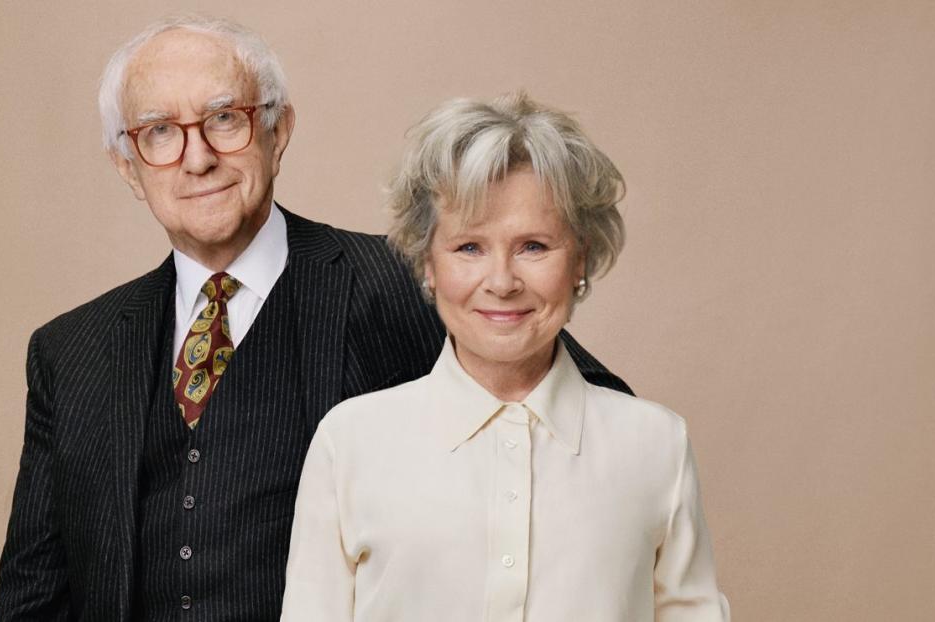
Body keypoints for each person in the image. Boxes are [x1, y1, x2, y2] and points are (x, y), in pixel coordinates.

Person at [0, 16, 630, 621]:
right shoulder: (71, 352)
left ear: (279, 130)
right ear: (128, 166)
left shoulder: (400, 282)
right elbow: (32, 599)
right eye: (159, 131)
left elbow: (596, 420)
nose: (197, 158)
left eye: (224, 119)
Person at [281, 92, 729, 621]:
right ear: (428, 264)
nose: (501, 282)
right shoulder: (349, 442)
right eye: (469, 247)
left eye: (534, 246)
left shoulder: (657, 445)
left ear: (580, 259)